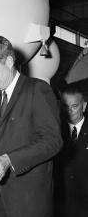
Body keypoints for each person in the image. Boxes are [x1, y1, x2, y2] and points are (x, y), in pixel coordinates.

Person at [0, 35, 63, 217]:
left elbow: (53, 141)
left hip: (29, 201)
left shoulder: (37, 89)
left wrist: (8, 160)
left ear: (9, 61)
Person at [54, 85, 88, 217]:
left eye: (74, 106)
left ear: (84, 106)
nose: (70, 111)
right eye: (65, 106)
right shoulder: (55, 132)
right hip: (62, 202)